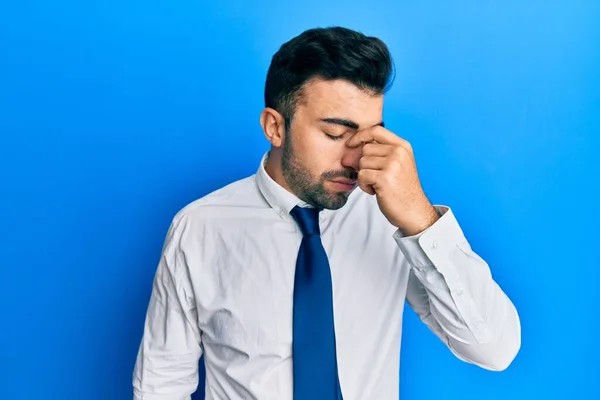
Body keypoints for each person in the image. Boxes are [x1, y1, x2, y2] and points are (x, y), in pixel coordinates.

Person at [132, 26, 521, 400]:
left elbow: (493, 350)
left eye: (369, 136)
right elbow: (161, 383)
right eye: (335, 134)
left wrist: (420, 219)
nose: (356, 158)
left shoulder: (390, 221)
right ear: (274, 126)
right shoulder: (201, 228)